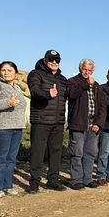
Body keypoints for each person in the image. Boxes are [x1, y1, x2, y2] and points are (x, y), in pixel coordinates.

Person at [27, 49, 69, 193]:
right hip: (41, 120)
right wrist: (47, 94)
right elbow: (34, 91)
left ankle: (53, 180)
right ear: (45, 60)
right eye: (51, 59)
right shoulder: (35, 74)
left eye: (57, 60)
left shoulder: (62, 79)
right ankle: (34, 182)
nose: (54, 62)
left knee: (56, 152)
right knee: (37, 152)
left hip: (58, 121)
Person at [0, 61, 26, 198]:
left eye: (9, 70)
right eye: (3, 70)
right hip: (1, 127)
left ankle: (7, 185)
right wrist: (8, 102)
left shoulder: (17, 88)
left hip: (17, 127)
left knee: (11, 158)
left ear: (16, 73)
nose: (6, 73)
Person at [66, 58, 100, 190]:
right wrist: (86, 84)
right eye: (85, 69)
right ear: (80, 69)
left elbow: (101, 105)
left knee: (90, 153)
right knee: (77, 153)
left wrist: (98, 123)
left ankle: (87, 179)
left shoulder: (96, 85)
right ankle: (76, 180)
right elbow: (72, 94)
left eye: (90, 70)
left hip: (93, 123)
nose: (87, 72)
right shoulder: (72, 81)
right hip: (78, 122)